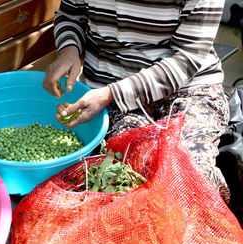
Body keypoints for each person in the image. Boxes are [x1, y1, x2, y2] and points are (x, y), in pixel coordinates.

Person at [42, 0, 231, 203]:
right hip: (114, 91)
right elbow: (71, 16)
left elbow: (187, 57)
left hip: (188, 89)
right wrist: (69, 49)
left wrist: (110, 94)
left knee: (186, 172)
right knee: (128, 175)